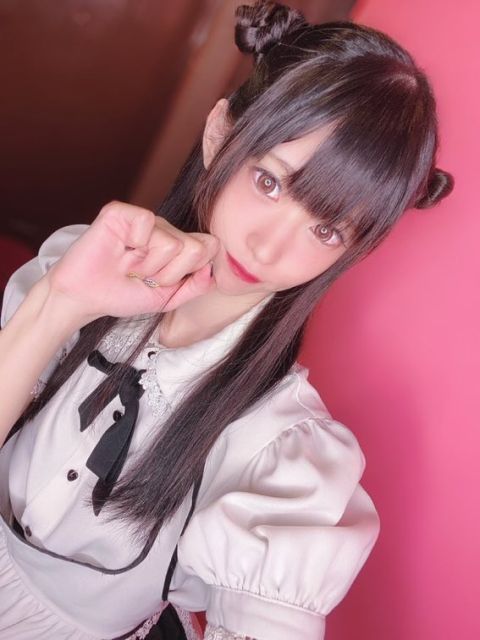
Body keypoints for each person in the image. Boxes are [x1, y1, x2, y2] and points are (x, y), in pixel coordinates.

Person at [0, 1, 453, 639]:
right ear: (220, 134)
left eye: (326, 229)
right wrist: (61, 304)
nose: (267, 249)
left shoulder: (280, 450)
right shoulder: (79, 266)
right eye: (270, 182)